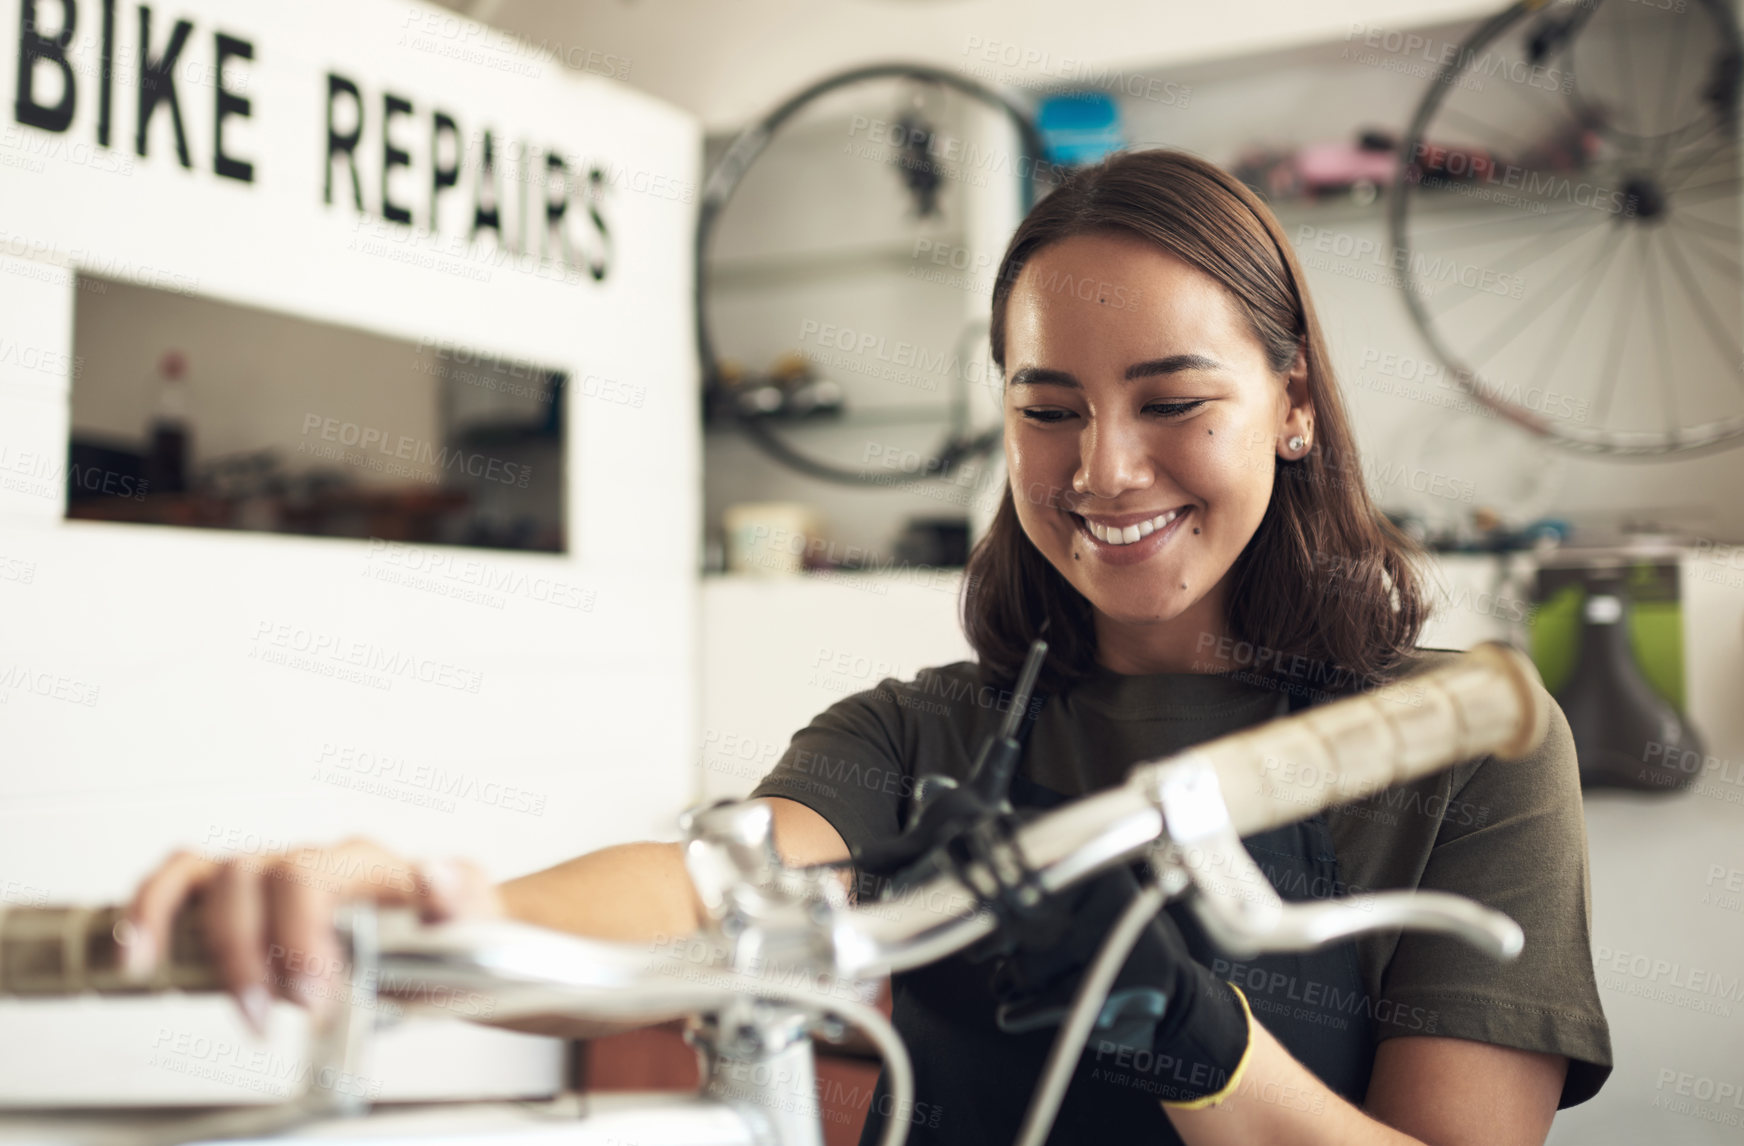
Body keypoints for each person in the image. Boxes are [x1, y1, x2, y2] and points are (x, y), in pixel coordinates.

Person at [121, 148, 1612, 1146]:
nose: (1101, 469)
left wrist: (1201, 1044)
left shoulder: (1465, 746)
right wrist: (397, 918)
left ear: (1291, 402)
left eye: (1173, 401)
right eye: (1047, 408)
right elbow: (705, 889)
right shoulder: (924, 736)